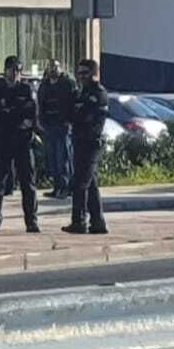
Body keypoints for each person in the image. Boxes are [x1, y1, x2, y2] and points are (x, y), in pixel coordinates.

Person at [0, 55, 42, 233]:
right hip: (3, 140)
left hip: (23, 141)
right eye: (12, 69)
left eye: (18, 69)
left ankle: (31, 220)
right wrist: (14, 114)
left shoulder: (26, 89)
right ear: (5, 70)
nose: (15, 73)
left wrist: (11, 113)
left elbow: (31, 114)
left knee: (28, 182)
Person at [64, 57, 109, 235]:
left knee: (80, 183)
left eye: (85, 73)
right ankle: (98, 223)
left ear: (94, 74)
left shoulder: (98, 93)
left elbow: (86, 117)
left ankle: (79, 222)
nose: (81, 77)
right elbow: (71, 114)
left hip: (91, 143)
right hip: (79, 142)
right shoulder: (80, 93)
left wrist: (77, 114)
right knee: (90, 184)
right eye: (79, 73)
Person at [38, 59, 76, 198]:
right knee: (52, 159)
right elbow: (41, 104)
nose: (52, 69)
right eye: (50, 67)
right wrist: (41, 121)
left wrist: (69, 120)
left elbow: (73, 102)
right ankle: (57, 187)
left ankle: (66, 188)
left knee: (63, 157)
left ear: (60, 68)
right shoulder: (45, 85)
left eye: (55, 67)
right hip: (49, 126)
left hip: (63, 126)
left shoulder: (67, 83)